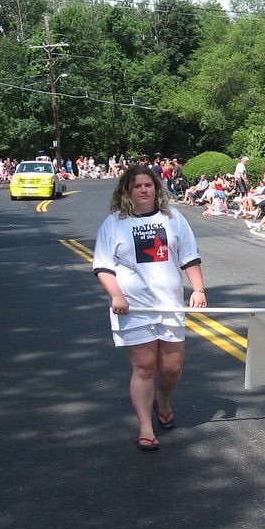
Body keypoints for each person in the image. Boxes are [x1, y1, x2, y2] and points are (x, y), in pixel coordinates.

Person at [92, 165, 207, 452]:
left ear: (156, 188)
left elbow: (190, 257)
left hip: (169, 305)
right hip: (134, 308)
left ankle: (163, 401)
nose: (143, 190)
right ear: (127, 191)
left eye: (148, 185)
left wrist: (198, 289)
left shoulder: (173, 218)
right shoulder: (114, 223)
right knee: (143, 367)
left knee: (171, 368)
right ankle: (145, 427)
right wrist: (117, 295)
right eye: (137, 186)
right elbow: (103, 266)